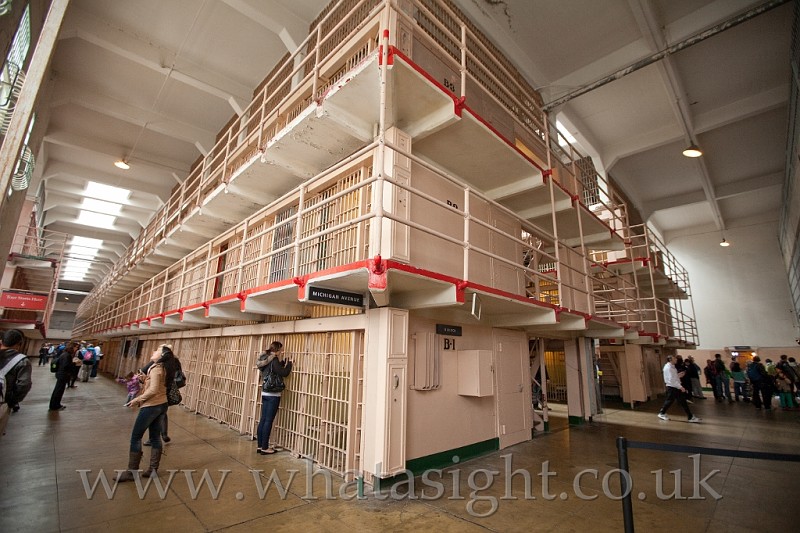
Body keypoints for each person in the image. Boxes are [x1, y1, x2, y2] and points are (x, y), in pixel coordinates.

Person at [117, 345, 178, 481]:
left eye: (157, 350)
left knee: (136, 437)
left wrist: (137, 400)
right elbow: (158, 386)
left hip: (151, 405)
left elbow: (153, 390)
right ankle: (152, 470)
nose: (154, 351)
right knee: (155, 437)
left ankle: (132, 472)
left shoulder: (156, 369)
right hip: (162, 404)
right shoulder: (165, 368)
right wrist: (145, 379)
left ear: (161, 355)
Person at [256, 341, 292, 454]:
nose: (281, 352)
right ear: (277, 350)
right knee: (268, 421)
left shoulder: (265, 358)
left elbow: (272, 369)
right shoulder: (274, 359)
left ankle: (260, 446)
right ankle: (265, 448)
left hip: (265, 392)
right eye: (281, 350)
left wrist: (282, 363)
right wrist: (290, 364)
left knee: (263, 419)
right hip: (273, 394)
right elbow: (284, 373)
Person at [142, 345, 182, 445]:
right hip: (168, 390)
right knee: (162, 413)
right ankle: (164, 434)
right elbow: (179, 374)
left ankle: (152, 438)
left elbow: (144, 371)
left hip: (157, 391)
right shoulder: (175, 360)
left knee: (153, 416)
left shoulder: (158, 362)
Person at [0, 329, 33, 436]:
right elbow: (24, 384)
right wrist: (12, 402)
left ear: (2, 341)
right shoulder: (22, 361)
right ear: (19, 344)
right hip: (2, 402)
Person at [657, 355, 701, 423]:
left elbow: (673, 377)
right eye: (674, 358)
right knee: (670, 401)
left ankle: (690, 416)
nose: (676, 359)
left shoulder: (672, 367)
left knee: (681, 401)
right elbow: (671, 380)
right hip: (673, 387)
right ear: (670, 360)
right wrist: (680, 387)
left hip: (675, 386)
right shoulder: (669, 368)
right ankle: (662, 413)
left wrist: (678, 375)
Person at [49, 340, 80, 411]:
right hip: (63, 375)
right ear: (72, 347)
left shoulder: (64, 354)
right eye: (76, 347)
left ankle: (55, 404)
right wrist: (74, 363)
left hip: (60, 374)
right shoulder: (67, 355)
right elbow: (66, 366)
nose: (76, 349)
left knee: (58, 390)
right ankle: (55, 406)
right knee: (59, 391)